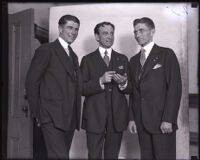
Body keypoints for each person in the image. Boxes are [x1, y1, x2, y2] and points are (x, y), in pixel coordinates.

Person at [25, 14, 82, 159]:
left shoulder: (74, 56)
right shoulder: (46, 50)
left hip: (69, 118)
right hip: (51, 117)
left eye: (76, 29)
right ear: (60, 28)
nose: (73, 32)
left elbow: (74, 86)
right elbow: (31, 82)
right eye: (70, 27)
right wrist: (38, 113)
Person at [128, 17, 182, 159]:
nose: (137, 35)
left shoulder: (166, 54)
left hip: (162, 122)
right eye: (135, 32)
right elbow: (134, 92)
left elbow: (175, 88)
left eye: (141, 30)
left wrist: (169, 119)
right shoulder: (133, 61)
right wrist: (132, 118)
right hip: (141, 123)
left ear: (152, 32)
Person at [80, 22, 130, 159]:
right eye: (105, 33)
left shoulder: (123, 59)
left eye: (111, 33)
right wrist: (100, 81)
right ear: (97, 36)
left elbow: (131, 89)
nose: (109, 36)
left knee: (112, 156)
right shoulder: (87, 60)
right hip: (94, 118)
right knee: (94, 155)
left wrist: (124, 83)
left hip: (117, 118)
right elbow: (81, 89)